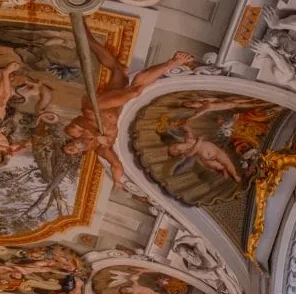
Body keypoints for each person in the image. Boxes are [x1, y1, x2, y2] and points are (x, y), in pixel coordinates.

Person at [62, 18, 196, 188]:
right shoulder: (102, 149)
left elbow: (81, 121)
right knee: (120, 71)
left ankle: (174, 61)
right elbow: (116, 165)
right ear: (79, 154)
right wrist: (118, 181)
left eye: (69, 146)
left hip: (94, 106)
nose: (73, 146)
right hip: (114, 106)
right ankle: (84, 32)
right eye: (73, 151)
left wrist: (96, 134)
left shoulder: (73, 131)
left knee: (134, 91)